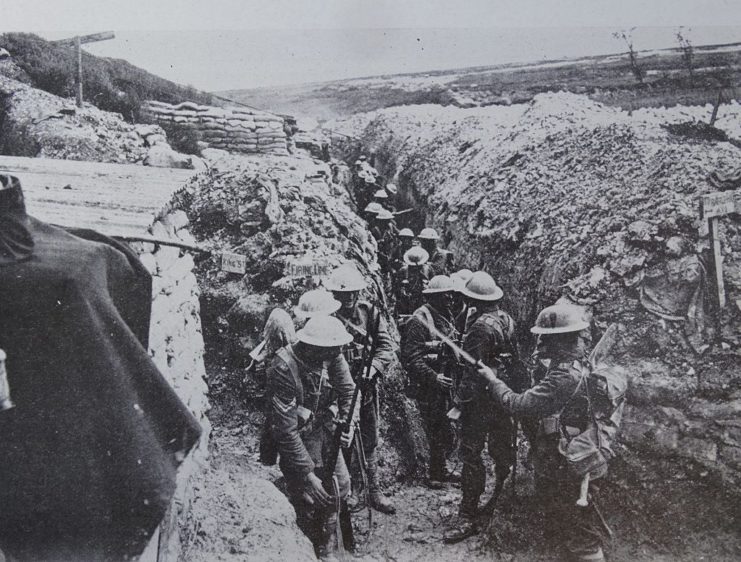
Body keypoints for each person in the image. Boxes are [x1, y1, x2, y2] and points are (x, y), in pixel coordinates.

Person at [474, 303, 607, 562]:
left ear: (559, 341)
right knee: (567, 525)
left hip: (564, 462)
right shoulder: (579, 366)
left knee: (580, 534)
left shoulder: (562, 378)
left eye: (546, 339)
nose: (541, 344)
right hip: (574, 455)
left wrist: (493, 381)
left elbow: (518, 405)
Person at [266, 315, 357, 558]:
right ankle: (307, 547)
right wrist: (307, 475)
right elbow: (285, 430)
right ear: (313, 348)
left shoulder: (331, 354)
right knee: (308, 495)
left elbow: (349, 391)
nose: (336, 355)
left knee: (341, 485)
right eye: (330, 351)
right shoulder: (283, 367)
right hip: (296, 434)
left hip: (324, 429)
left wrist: (348, 423)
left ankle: (328, 544)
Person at [445, 271, 525, 544]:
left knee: (471, 455)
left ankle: (468, 514)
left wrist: (458, 405)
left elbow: (471, 371)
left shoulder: (480, 328)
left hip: (479, 403)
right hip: (502, 398)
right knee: (502, 450)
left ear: (472, 299)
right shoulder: (506, 319)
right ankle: (499, 502)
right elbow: (517, 361)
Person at [325, 264, 397, 514]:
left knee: (369, 437)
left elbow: (386, 347)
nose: (350, 299)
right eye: (344, 295)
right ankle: (352, 489)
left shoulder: (371, 313)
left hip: (366, 386)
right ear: (334, 294)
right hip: (338, 391)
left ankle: (374, 490)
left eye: (354, 293)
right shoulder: (327, 317)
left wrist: (373, 368)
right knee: (344, 437)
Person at [401, 275, 459, 488]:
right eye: (445, 296)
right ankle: (434, 474)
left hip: (443, 382)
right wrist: (433, 377)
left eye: (450, 295)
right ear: (433, 297)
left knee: (443, 426)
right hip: (426, 385)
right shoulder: (419, 320)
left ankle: (441, 470)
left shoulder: (444, 315)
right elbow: (411, 357)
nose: (450, 299)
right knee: (434, 428)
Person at [394, 246, 432, 318]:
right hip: (406, 302)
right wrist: (402, 291)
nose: (415, 268)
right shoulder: (403, 271)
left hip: (421, 299)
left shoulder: (428, 270)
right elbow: (396, 288)